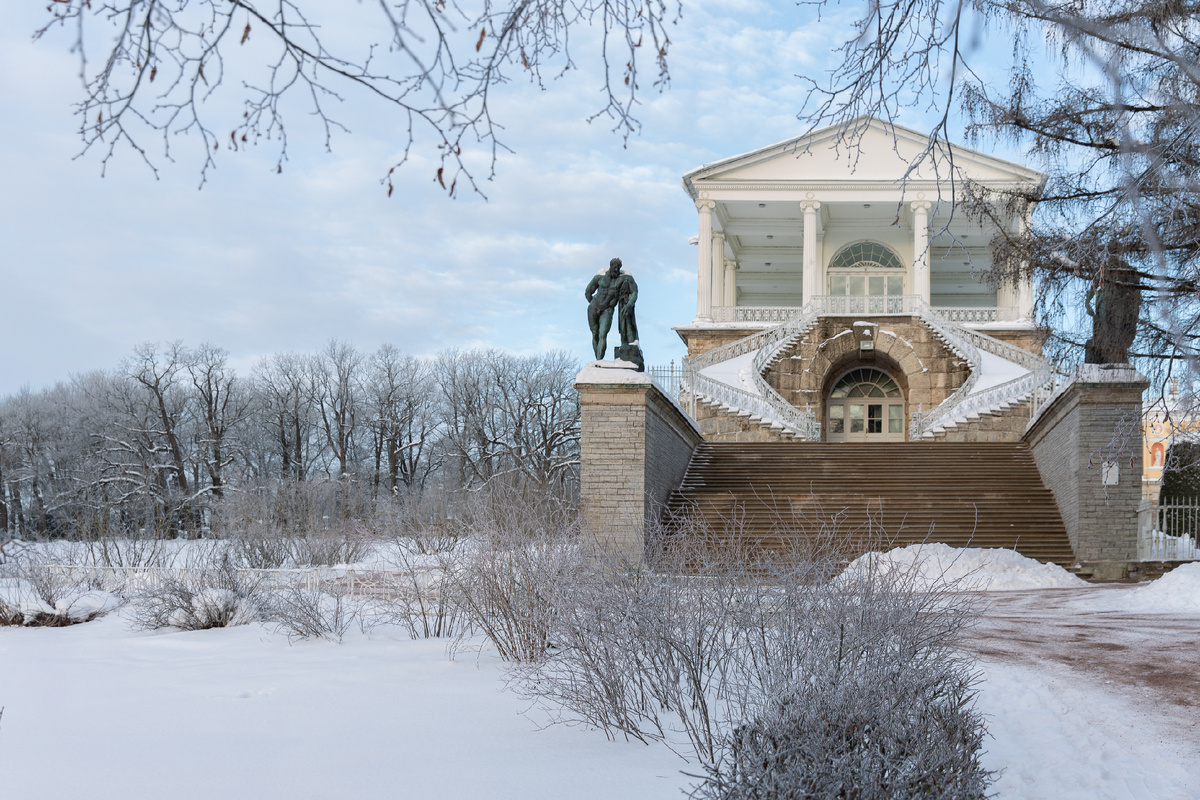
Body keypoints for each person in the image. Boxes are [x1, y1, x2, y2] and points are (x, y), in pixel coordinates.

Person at [585, 257, 638, 361]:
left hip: (607, 310)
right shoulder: (599, 277)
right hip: (593, 307)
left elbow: (634, 292)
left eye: (618, 268)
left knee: (602, 335)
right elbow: (588, 292)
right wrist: (593, 303)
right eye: (614, 267)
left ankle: (599, 360)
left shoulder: (624, 278)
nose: (615, 270)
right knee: (595, 334)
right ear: (610, 266)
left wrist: (629, 304)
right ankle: (597, 361)